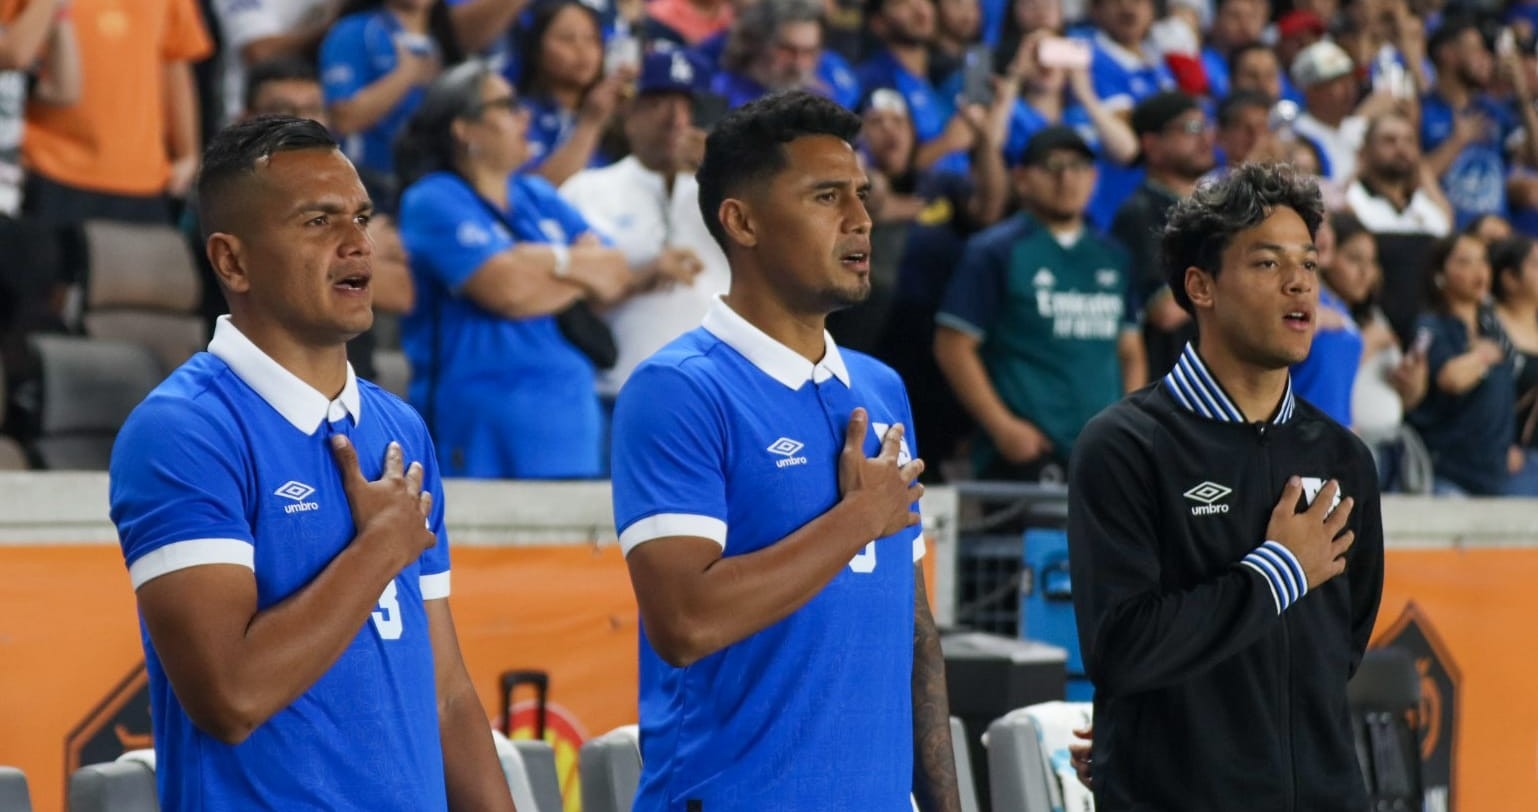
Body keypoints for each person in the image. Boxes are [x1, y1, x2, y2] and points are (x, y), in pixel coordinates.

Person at [107, 115, 516, 810]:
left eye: (360, 216)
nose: (357, 243)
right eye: (318, 221)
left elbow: (445, 693)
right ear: (232, 261)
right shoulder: (183, 430)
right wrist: (380, 548)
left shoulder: (399, 427)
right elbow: (229, 697)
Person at [609, 91, 960, 811]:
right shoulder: (676, 390)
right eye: (827, 196)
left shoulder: (880, 387)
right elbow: (685, 622)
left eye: (861, 195)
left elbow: (916, 629)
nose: (861, 219)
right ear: (742, 221)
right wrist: (858, 519)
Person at [1067, 162, 1384, 811]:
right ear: (1201, 286)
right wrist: (1278, 571)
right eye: (1268, 264)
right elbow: (1123, 649)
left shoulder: (1344, 457)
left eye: (1309, 263)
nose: (1300, 282)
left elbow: (1337, 652)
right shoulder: (1125, 445)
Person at [394, 61, 630, 479]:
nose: (525, 117)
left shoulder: (536, 194)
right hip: (481, 423)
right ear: (463, 128)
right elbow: (505, 292)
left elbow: (615, 275)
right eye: (506, 106)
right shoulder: (433, 199)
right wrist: (573, 267)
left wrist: (539, 262)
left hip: (573, 417)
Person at [936, 125, 1140, 483]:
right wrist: (1003, 428)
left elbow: (1130, 351)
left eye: (1078, 167)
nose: (1066, 179)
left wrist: (1131, 429)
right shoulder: (994, 252)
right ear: (1022, 178)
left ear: (1094, 178)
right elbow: (953, 345)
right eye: (1052, 167)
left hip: (1104, 452)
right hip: (1028, 453)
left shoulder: (1113, 256)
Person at [558, 48, 728, 405]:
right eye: (657, 103)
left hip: (716, 393)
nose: (675, 120)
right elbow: (560, 299)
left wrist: (726, 173)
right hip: (615, 390)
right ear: (628, 113)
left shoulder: (730, 194)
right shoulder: (586, 189)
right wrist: (635, 278)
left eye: (685, 106)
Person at [1407, 232, 1517, 496]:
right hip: (1451, 473)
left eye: (1482, 261)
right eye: (1465, 262)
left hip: (1496, 474)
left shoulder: (1493, 329)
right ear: (1440, 274)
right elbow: (1452, 378)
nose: (1478, 271)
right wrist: (1483, 356)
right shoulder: (1430, 326)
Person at [321, 0, 464, 177]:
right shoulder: (355, 31)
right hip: (369, 179)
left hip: (430, 174)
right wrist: (405, 75)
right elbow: (344, 117)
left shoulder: (446, 40)